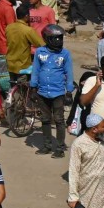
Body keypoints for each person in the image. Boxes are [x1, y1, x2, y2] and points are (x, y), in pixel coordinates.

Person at [30, 23, 75, 157]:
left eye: (60, 38)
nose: (58, 41)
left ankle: (60, 148)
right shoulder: (40, 52)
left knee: (59, 120)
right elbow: (36, 71)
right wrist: (33, 87)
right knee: (45, 119)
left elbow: (69, 73)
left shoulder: (65, 54)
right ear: (47, 39)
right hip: (42, 92)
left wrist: (69, 91)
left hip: (59, 92)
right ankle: (47, 146)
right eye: (55, 38)